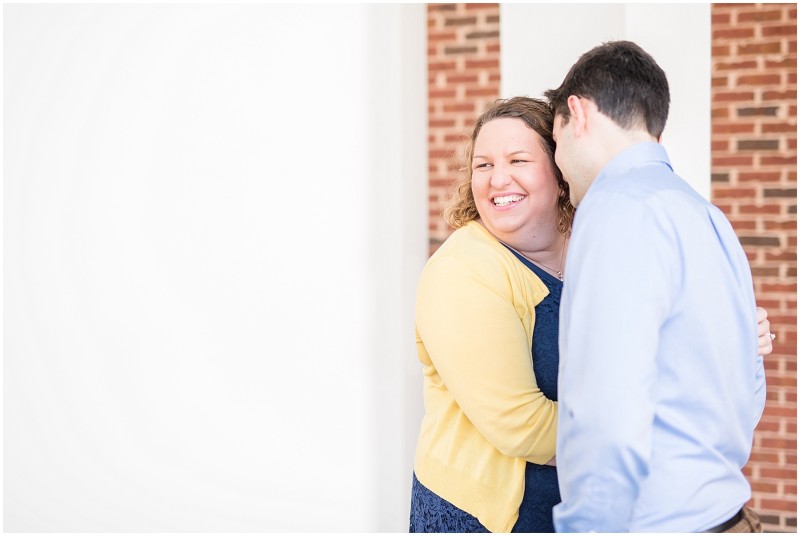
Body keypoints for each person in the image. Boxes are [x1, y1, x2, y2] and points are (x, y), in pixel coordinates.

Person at [407, 95, 774, 533]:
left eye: (518, 160)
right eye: (482, 165)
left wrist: (727, 336)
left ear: (559, 172)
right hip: (490, 516)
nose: (497, 179)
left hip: (591, 505)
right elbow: (523, 426)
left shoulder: (594, 240)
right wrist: (666, 428)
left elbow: (656, 342)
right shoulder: (462, 270)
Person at [545, 41, 768, 532]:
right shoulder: (707, 217)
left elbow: (607, 416)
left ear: (577, 114)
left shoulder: (614, 209)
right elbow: (749, 394)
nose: (558, 166)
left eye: (555, 141)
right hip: (729, 516)